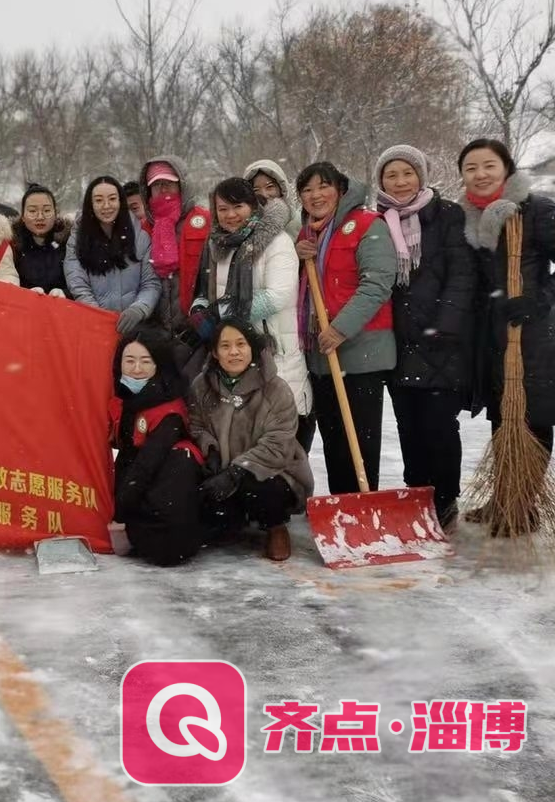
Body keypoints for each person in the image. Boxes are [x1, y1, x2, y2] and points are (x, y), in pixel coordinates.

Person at [373, 146, 474, 530]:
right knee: (408, 424)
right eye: (391, 175)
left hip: (441, 342)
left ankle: (445, 498)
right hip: (398, 341)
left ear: (422, 175)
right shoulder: (378, 220)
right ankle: (416, 492)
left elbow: (462, 274)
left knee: (440, 424)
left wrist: (445, 324)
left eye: (407, 173)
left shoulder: (448, 215)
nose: (400, 182)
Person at [295, 161, 396, 495]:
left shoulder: (368, 224)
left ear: (340, 189)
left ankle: (364, 505)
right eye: (307, 190)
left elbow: (377, 285)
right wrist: (298, 256)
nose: (315, 195)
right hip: (321, 355)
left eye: (323, 186)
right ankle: (342, 507)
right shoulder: (306, 233)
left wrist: (340, 328)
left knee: (360, 441)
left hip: (361, 352)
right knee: (334, 439)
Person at [191, 177, 312, 450]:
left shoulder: (276, 242)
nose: (230, 215)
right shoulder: (217, 245)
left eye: (238, 206)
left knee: (280, 440)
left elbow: (278, 295)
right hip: (233, 356)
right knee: (241, 438)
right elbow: (205, 289)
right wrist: (200, 310)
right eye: (222, 209)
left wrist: (224, 314)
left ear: (253, 206)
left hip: (275, 350)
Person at [459, 138, 555, 465]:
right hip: (492, 337)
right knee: (503, 415)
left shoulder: (536, 209)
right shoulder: (467, 218)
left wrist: (539, 300)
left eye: (489, 166)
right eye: (471, 168)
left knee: (534, 416)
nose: (480, 174)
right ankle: (505, 496)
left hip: (534, 337)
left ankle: (525, 507)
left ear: (507, 169)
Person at [188, 320, 314, 561]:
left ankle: (276, 526)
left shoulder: (276, 389)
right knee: (213, 512)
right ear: (215, 352)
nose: (233, 352)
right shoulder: (201, 386)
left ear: (253, 349)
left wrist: (237, 472)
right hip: (222, 469)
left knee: (262, 489)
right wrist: (210, 451)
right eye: (225, 346)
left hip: (274, 473)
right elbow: (195, 425)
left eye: (240, 344)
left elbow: (278, 444)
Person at [108, 328, 204, 567]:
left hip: (168, 483)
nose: (136, 369)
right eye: (129, 360)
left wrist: (119, 515)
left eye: (145, 361)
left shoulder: (169, 408)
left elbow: (146, 464)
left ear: (158, 365)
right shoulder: (124, 399)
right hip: (142, 482)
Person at [64, 175, 160, 331]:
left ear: (121, 201)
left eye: (112, 199)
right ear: (91, 204)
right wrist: (98, 316)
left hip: (136, 328)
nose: (106, 206)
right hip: (94, 326)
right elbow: (78, 285)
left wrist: (139, 308)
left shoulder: (140, 236)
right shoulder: (77, 239)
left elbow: (151, 283)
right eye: (99, 200)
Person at [138, 155, 211, 341]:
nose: (162, 189)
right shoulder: (143, 228)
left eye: (168, 183)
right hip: (154, 329)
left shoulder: (204, 220)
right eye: (156, 184)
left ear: (182, 185)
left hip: (196, 327)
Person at [12, 184, 70, 297]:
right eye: (32, 211)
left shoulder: (69, 243)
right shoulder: (12, 245)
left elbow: (81, 283)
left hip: (62, 309)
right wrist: (24, 294)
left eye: (47, 210)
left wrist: (65, 293)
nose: (40, 217)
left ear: (55, 214)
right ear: (23, 216)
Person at [243, 159, 300, 239]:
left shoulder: (297, 222)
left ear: (282, 188)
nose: (264, 194)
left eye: (269, 187)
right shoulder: (243, 227)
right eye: (256, 190)